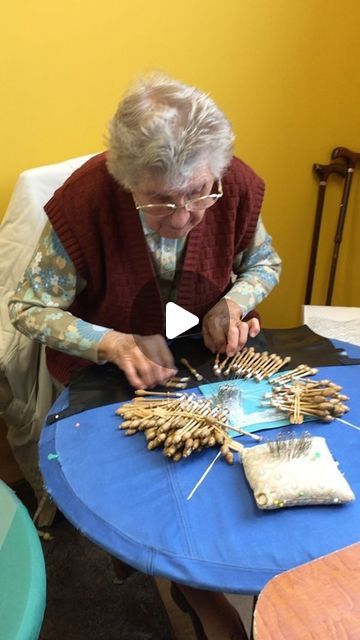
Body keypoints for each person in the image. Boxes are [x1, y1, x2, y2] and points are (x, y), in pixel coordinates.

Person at [8, 72, 281, 640]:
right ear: (125, 179)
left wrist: (230, 305)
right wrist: (110, 342)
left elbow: (264, 266)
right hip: (104, 361)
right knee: (136, 483)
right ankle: (168, 574)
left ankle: (203, 571)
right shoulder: (84, 202)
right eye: (160, 202)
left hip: (190, 344)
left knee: (223, 462)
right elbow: (30, 308)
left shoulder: (234, 185)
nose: (184, 217)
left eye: (198, 194)